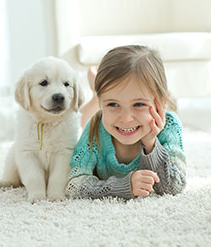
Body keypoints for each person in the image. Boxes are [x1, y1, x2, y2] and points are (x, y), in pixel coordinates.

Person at [66, 45, 186, 200]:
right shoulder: (95, 128)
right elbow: (74, 185)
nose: (126, 118)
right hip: (98, 115)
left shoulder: (170, 125)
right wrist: (123, 186)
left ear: (160, 103)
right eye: (113, 104)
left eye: (139, 104)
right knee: (77, 122)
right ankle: (96, 96)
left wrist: (151, 145)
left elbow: (174, 187)